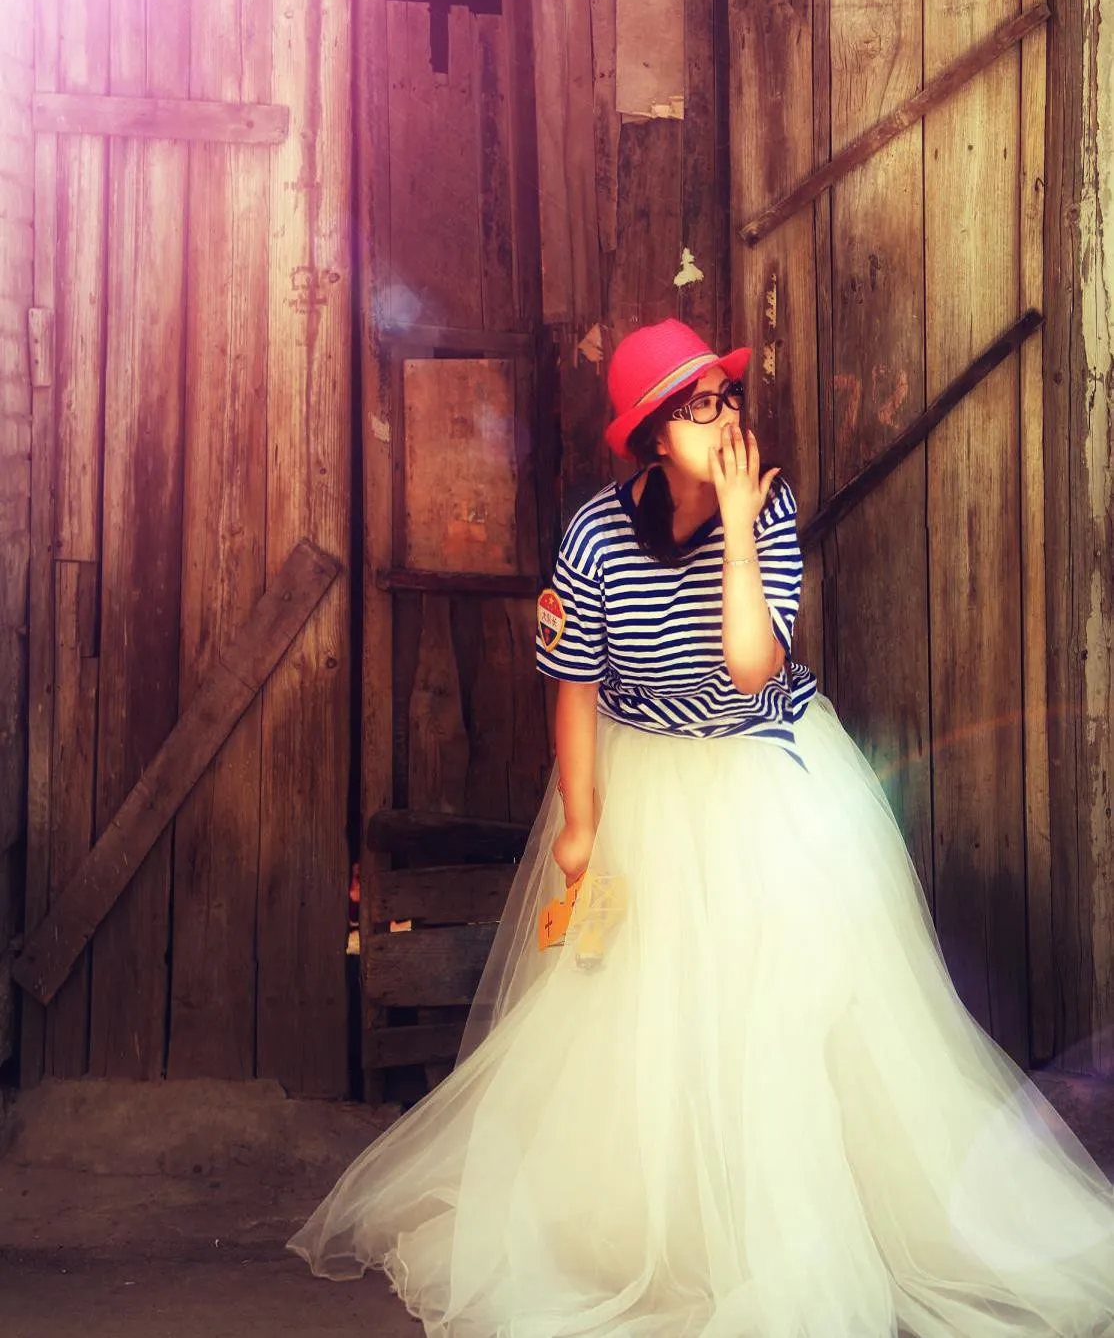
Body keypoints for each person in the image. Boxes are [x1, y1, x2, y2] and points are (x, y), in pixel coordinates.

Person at [289, 318, 1114, 1338]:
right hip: (644, 772)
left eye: (720, 399)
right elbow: (575, 686)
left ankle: (801, 1231)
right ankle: (662, 1229)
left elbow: (751, 665)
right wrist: (580, 821)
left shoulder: (765, 508)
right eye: (690, 409)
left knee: (787, 1003)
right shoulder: (594, 535)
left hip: (765, 768)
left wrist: (735, 522)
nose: (716, 419)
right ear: (649, 435)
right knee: (643, 1013)